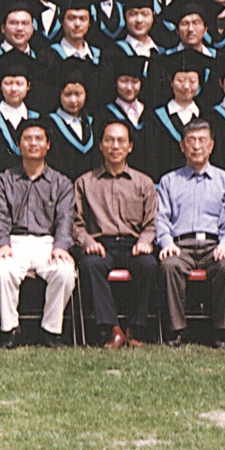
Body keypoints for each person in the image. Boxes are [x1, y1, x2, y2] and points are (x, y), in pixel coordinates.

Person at [0, 120, 81, 348]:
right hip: (14, 242)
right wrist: (2, 244)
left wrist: (61, 246)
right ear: (18, 144)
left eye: (39, 139)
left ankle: (51, 330)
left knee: (64, 272)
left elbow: (65, 219)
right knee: (1, 271)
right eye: (27, 139)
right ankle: (10, 330)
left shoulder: (61, 183)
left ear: (48, 145)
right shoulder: (2, 181)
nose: (33, 143)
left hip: (47, 243)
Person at [155, 120, 225, 347]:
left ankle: (221, 331)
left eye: (202, 140)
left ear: (211, 145)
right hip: (181, 246)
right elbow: (161, 218)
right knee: (169, 265)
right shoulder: (169, 181)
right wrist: (167, 242)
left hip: (213, 246)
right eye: (191, 141)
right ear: (182, 146)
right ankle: (177, 330)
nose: (196, 146)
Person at [73, 120, 163, 348]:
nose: (115, 146)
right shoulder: (85, 182)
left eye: (121, 141)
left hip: (134, 245)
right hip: (101, 245)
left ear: (130, 146)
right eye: (109, 140)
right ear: (100, 145)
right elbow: (76, 223)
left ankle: (136, 329)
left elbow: (152, 221)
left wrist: (145, 241)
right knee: (90, 264)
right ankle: (111, 329)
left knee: (149, 265)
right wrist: (87, 241)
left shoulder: (143, 182)